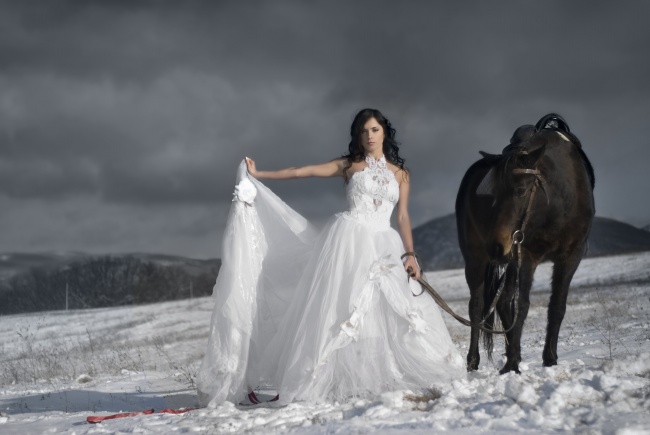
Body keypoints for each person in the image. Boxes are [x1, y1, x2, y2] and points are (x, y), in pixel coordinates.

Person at [196, 108, 465, 408]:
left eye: (374, 130)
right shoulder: (349, 165)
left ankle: (383, 374)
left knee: (394, 312)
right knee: (344, 309)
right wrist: (261, 174)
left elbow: (402, 216)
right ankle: (337, 377)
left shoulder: (401, 174)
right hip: (349, 242)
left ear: (384, 132)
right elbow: (303, 171)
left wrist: (410, 254)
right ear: (357, 136)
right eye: (363, 131)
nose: (369, 136)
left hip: (385, 243)